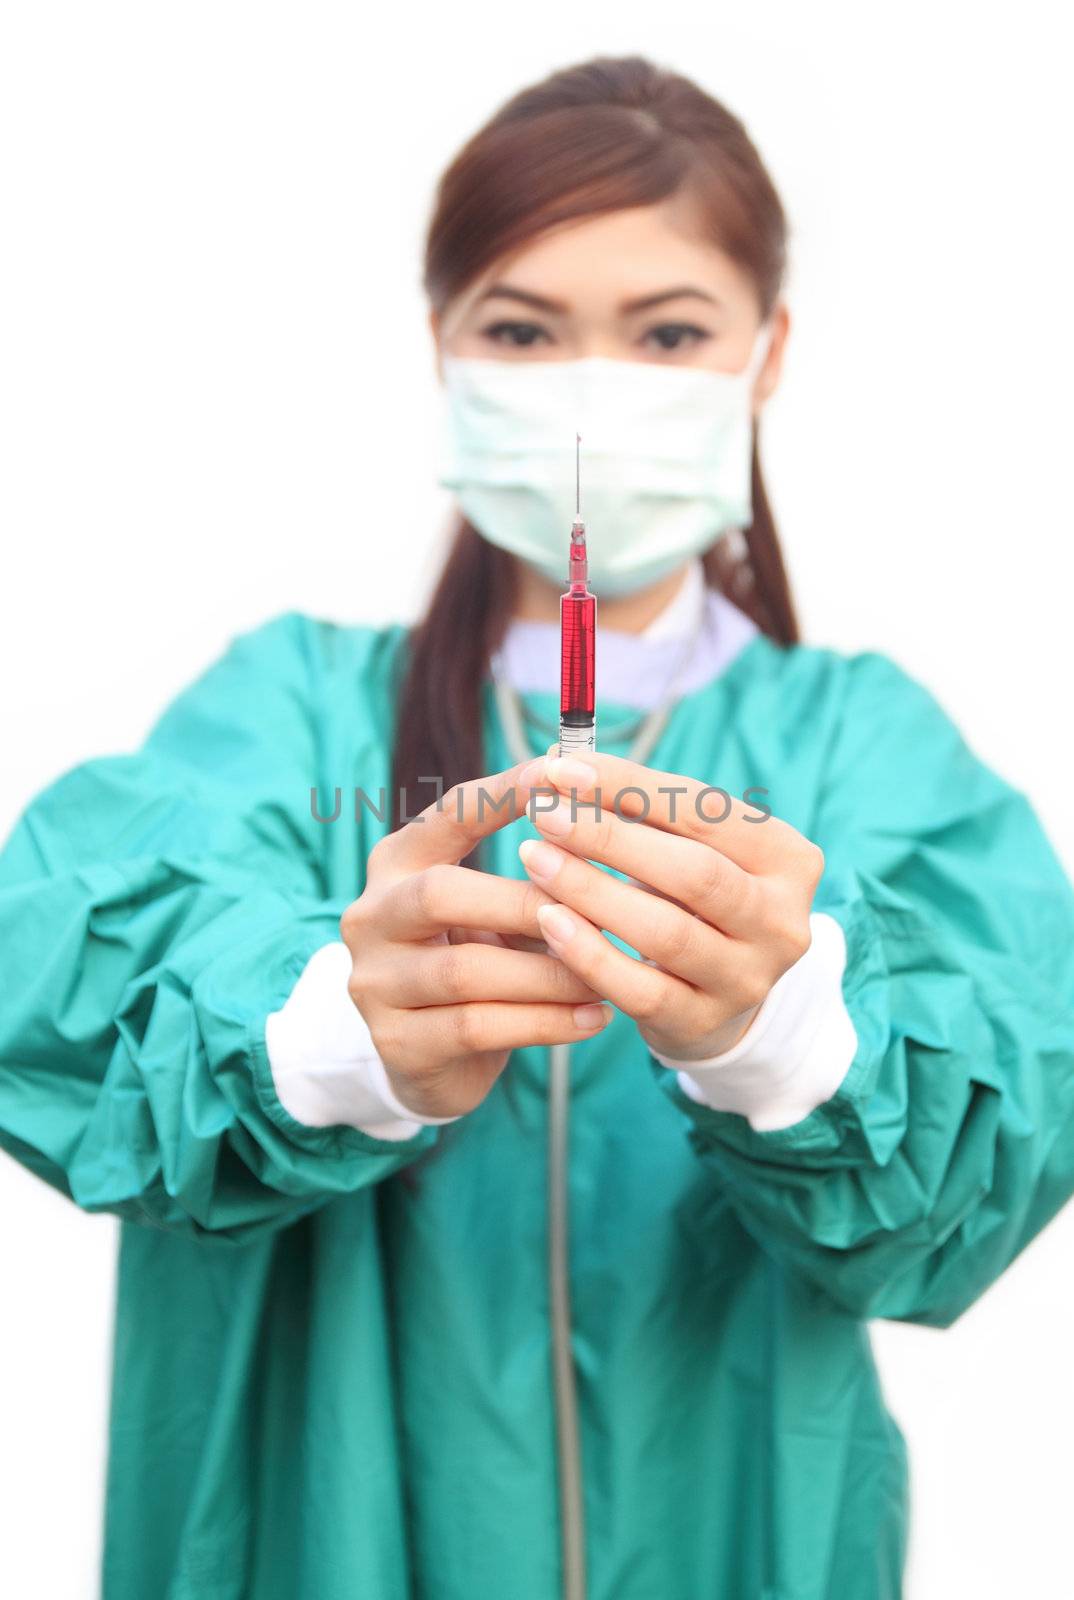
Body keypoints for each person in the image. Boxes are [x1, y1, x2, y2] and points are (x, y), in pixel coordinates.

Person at [2, 53, 1074, 1600]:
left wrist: (797, 1037)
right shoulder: (292, 710)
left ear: (766, 354)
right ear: (441, 346)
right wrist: (326, 1031)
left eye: (668, 333)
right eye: (520, 330)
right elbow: (57, 970)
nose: (590, 391)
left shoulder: (859, 746)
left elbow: (1006, 1116)